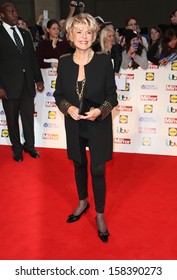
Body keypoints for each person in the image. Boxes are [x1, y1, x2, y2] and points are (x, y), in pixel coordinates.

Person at [54, 13, 118, 243]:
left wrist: (100, 110)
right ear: (70, 35)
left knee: (98, 170)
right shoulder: (63, 62)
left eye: (88, 32)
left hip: (98, 124)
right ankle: (83, 201)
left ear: (94, 35)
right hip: (74, 124)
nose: (84, 36)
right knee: (79, 164)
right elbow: (58, 94)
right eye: (78, 31)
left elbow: (112, 96)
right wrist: (68, 109)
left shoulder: (103, 61)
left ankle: (99, 214)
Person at [0, 2, 44, 162]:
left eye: (15, 11)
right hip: (8, 87)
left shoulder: (24, 34)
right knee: (12, 121)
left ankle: (30, 146)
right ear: (2, 15)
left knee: (27, 118)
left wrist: (38, 79)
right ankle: (17, 149)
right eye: (10, 12)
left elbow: (32, 59)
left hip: (27, 85)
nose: (15, 14)